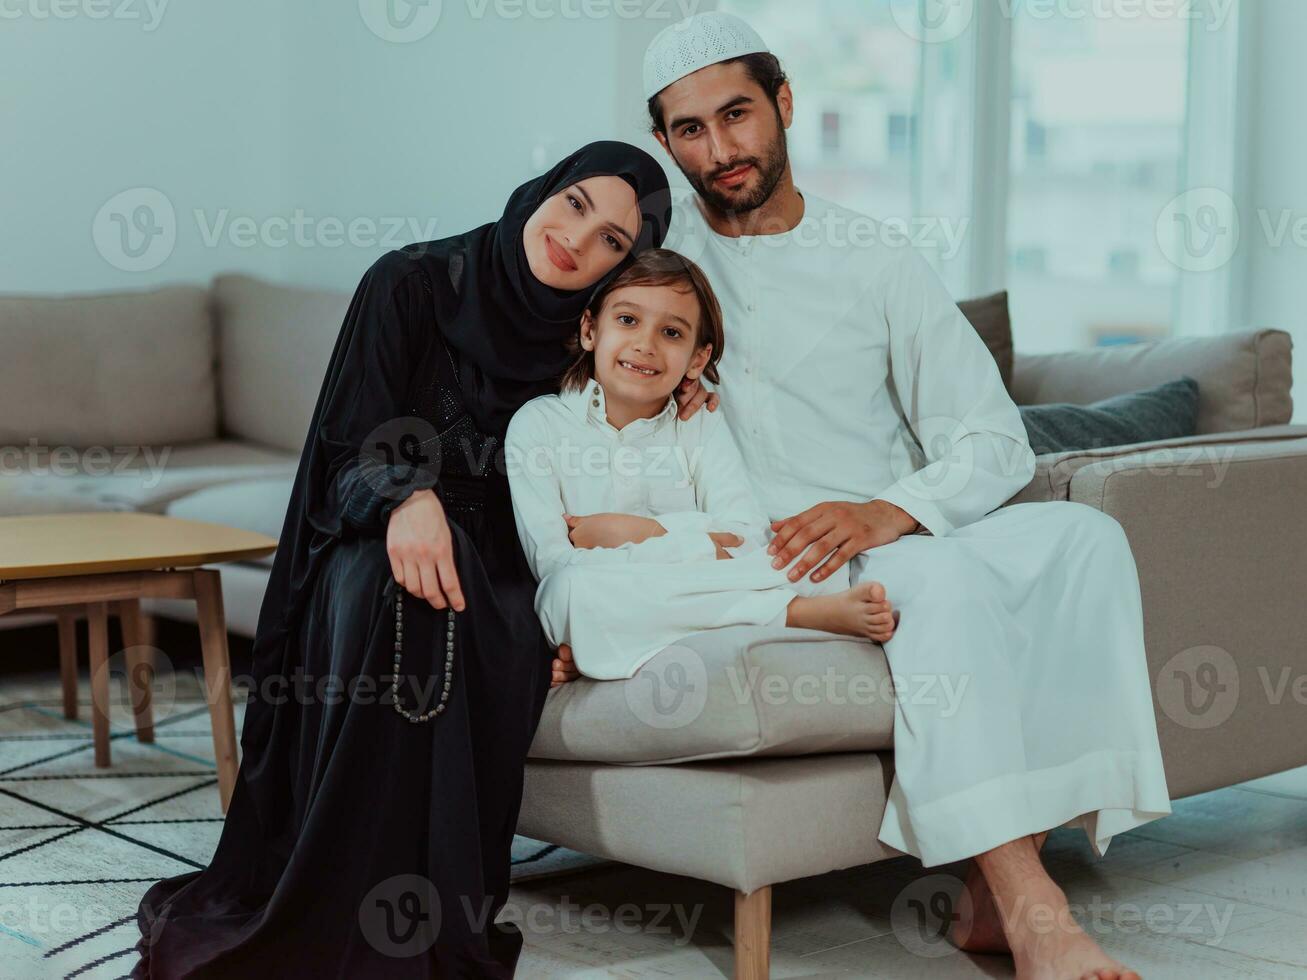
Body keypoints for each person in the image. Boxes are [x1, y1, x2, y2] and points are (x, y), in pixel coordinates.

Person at [641, 13, 1172, 980]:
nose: (719, 150)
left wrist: (885, 509)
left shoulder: (876, 258)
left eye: (737, 114)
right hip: (770, 551)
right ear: (664, 143)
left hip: (886, 520)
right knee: (942, 583)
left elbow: (988, 433)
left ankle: (980, 895)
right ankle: (1031, 909)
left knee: (1084, 538)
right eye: (689, 130)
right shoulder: (655, 270)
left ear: (785, 103)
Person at [129, 141, 699, 979]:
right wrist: (409, 497)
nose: (580, 239)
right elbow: (347, 439)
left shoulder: (590, 337)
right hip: (374, 529)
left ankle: (417, 916)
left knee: (454, 600)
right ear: (544, 189)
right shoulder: (411, 282)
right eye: (576, 204)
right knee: (393, 594)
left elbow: (623, 457)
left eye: (614, 240)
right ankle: (344, 905)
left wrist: (678, 389)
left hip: (508, 563)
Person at [503, 247, 898, 681]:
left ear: (697, 359)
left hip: (668, 588)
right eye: (628, 320)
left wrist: (643, 533)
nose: (645, 344)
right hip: (608, 589)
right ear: (590, 329)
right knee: (568, 594)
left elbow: (744, 536)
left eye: (671, 333)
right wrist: (700, 545)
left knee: (811, 562)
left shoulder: (700, 424)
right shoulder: (537, 426)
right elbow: (554, 563)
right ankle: (794, 614)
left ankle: (614, 643)